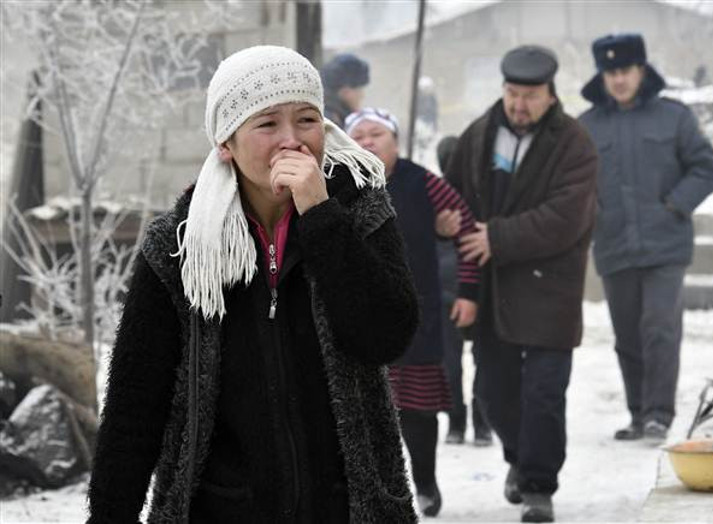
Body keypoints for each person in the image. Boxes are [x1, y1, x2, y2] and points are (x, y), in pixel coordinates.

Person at [86, 46, 420, 523]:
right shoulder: (180, 247)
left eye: (306, 120)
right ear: (226, 143)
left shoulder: (358, 212)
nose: (292, 141)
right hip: (223, 509)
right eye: (267, 124)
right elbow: (135, 403)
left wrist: (321, 217)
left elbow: (386, 336)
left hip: (347, 506)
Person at [442, 45, 598, 523]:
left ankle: (537, 486)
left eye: (530, 96)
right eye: (512, 94)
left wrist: (499, 236)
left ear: (551, 95)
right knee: (493, 389)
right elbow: (454, 191)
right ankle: (518, 458)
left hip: (550, 289)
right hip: (492, 288)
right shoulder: (480, 133)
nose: (519, 105)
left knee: (545, 394)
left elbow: (566, 217)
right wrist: (445, 221)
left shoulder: (574, 144)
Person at [579, 34, 713, 443]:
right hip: (614, 244)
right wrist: (595, 218)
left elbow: (706, 168)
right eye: (611, 73)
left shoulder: (674, 118)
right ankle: (638, 413)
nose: (619, 79)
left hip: (666, 245)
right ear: (601, 77)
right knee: (627, 335)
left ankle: (659, 413)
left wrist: (675, 205)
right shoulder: (586, 126)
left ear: (642, 70)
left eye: (625, 71)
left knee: (659, 327)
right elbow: (574, 185)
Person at [346, 108, 479, 518]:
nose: (368, 142)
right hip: (359, 317)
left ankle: (425, 481)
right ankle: (383, 493)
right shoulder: (336, 187)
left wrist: (468, 292)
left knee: (418, 410)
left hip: (416, 314)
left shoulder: (424, 183)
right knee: (364, 413)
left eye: (378, 134)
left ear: (396, 142)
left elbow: (468, 229)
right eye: (360, 136)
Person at [435, 135, 492, 447]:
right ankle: (466, 421)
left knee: (468, 361)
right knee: (454, 363)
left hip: (475, 290)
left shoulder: (488, 195)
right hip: (451, 291)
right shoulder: (436, 196)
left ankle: (474, 421)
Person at [321, 53, 370, 127]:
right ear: (345, 91)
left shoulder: (337, 116)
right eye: (358, 90)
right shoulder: (329, 121)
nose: (361, 96)